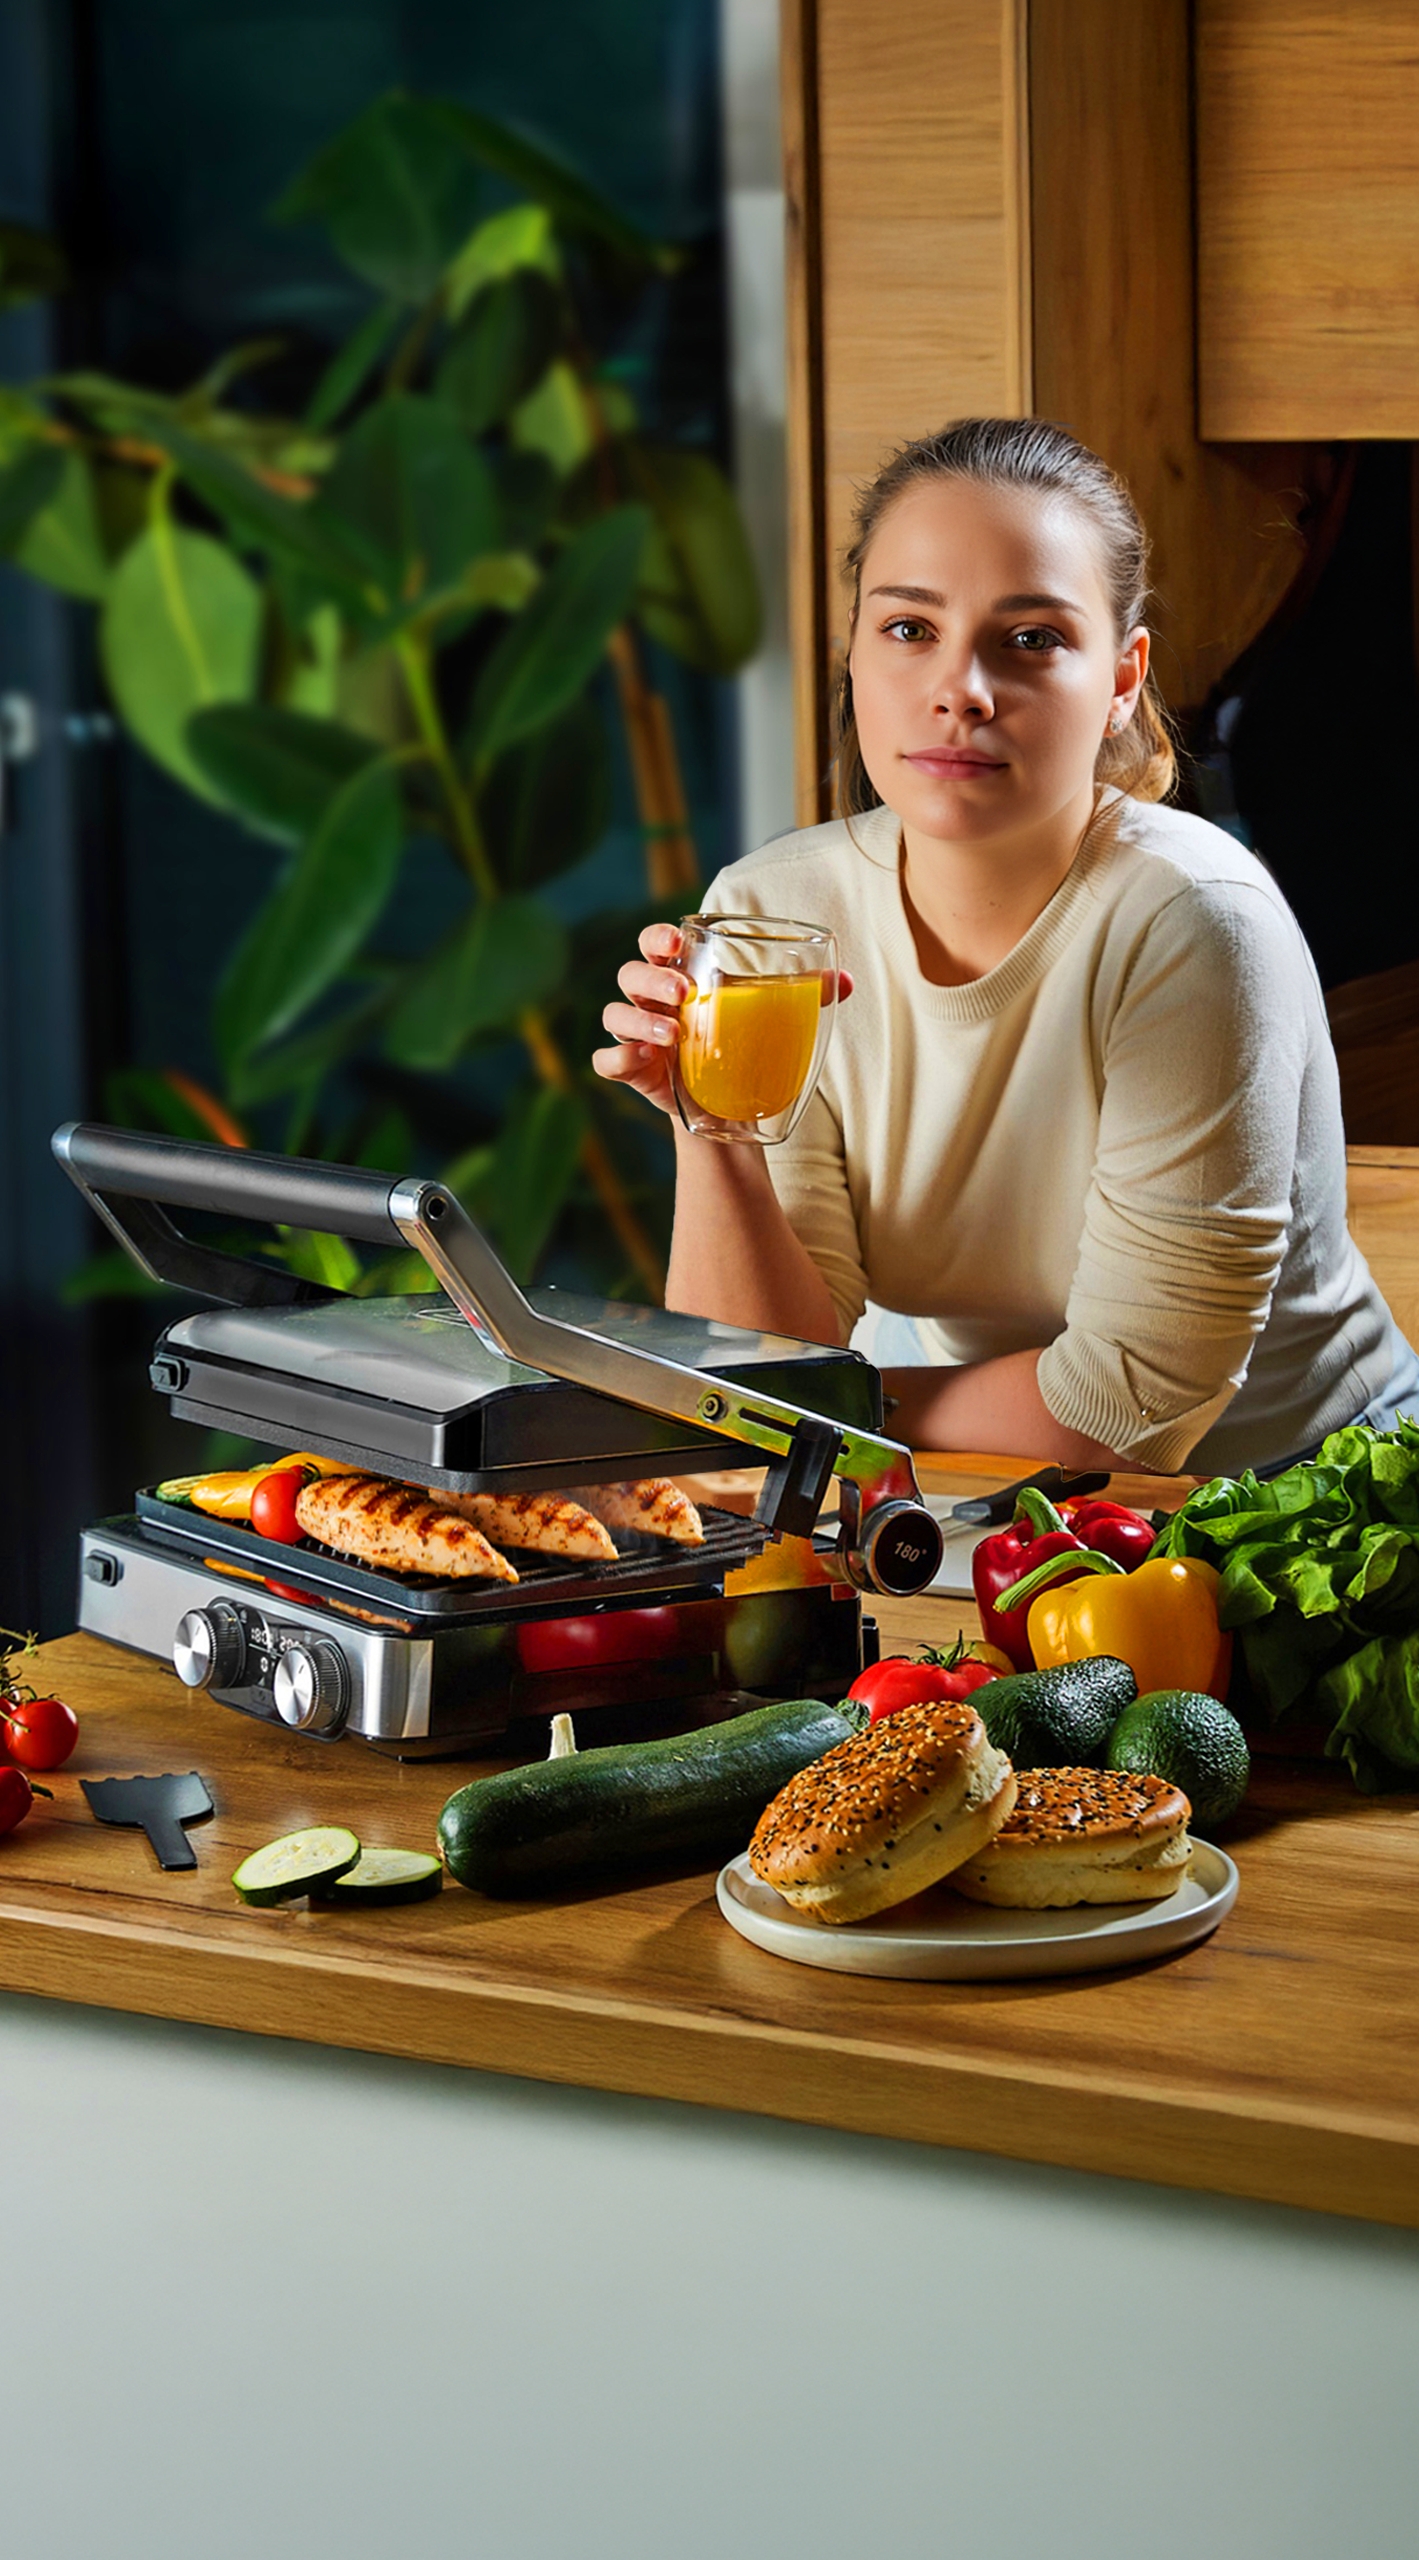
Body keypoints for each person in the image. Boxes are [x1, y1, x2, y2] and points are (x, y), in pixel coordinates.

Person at [593, 417, 1418, 1476]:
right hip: (990, 1485)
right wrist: (710, 1125)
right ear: (852, 649)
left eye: (1030, 639)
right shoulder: (775, 909)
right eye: (908, 629)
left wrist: (822, 1406)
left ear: (1123, 678)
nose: (960, 688)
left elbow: (1125, 1411)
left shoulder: (1194, 923)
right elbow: (758, 1366)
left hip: (1299, 1505)